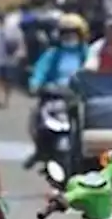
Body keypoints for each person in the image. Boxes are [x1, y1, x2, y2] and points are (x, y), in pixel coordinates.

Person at [23, 14, 89, 169]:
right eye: (65, 33)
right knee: (38, 118)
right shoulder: (52, 54)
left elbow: (93, 68)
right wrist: (35, 84)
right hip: (54, 96)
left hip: (79, 97)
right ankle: (41, 149)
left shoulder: (86, 53)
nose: (69, 37)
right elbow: (40, 71)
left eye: (73, 33)